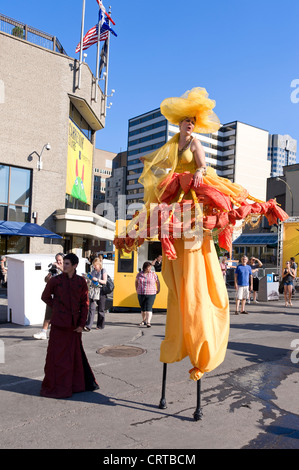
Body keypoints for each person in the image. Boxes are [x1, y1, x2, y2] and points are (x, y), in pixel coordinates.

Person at [114, 87, 288, 381]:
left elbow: (202, 162)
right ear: (179, 123)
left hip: (191, 192)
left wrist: (199, 171)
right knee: (161, 219)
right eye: (186, 121)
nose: (190, 124)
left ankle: (200, 340)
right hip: (177, 193)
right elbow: (161, 160)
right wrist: (147, 162)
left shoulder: (193, 143)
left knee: (200, 220)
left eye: (193, 121)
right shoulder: (173, 142)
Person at [40, 253, 98, 398]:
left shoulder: (81, 282)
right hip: (59, 325)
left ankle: (75, 385)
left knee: (74, 357)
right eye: (63, 263)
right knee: (56, 357)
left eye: (67, 264)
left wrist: (81, 324)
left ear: (74, 266)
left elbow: (85, 305)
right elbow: (45, 296)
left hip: (73, 327)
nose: (63, 266)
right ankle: (56, 385)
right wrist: (58, 307)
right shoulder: (55, 281)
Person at [33, 253, 64, 340]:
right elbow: (46, 280)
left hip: (63, 297)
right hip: (54, 296)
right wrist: (49, 274)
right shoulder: (54, 269)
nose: (58, 261)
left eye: (60, 260)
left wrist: (58, 267)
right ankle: (43, 332)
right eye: (57, 260)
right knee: (48, 314)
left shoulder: (66, 268)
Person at [84, 257, 107, 331]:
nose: (94, 267)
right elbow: (90, 280)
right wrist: (87, 278)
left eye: (96, 265)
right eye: (94, 265)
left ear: (99, 264)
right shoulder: (93, 271)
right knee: (92, 308)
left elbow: (104, 281)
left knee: (101, 309)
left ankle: (100, 325)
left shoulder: (103, 270)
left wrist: (96, 279)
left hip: (101, 291)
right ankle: (88, 326)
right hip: (94, 291)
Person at [135, 261, 160, 327]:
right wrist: (137, 289)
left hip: (151, 293)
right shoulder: (139, 274)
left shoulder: (153, 274)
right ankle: (143, 320)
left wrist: (158, 289)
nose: (150, 269)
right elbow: (136, 282)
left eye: (150, 267)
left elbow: (157, 282)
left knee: (149, 307)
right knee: (143, 308)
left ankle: (148, 322)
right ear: (145, 268)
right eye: (149, 267)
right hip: (141, 292)